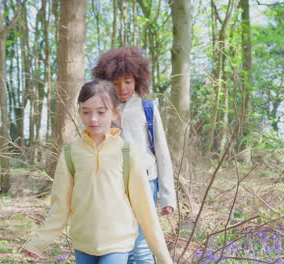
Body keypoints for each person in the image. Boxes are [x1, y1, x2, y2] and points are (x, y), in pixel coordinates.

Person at [23, 79, 173, 264]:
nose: (93, 119)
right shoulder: (71, 153)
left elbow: (145, 209)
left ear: (115, 114)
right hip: (83, 242)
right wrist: (39, 242)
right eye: (86, 112)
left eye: (101, 112)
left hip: (117, 242)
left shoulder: (127, 152)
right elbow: (60, 206)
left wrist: (164, 257)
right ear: (79, 112)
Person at [93, 47, 176, 264]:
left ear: (137, 80)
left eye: (128, 81)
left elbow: (162, 153)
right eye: (116, 82)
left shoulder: (148, 108)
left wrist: (168, 197)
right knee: (121, 246)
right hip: (113, 185)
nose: (122, 88)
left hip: (146, 183)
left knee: (141, 246)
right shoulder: (100, 111)